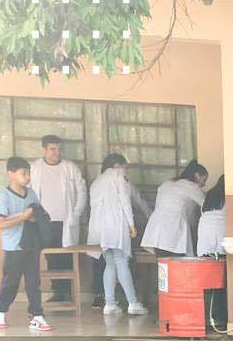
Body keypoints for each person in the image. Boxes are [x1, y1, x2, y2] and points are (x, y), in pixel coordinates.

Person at [0, 157, 52, 331]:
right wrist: (23, 217)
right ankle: (0, 311)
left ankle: (37, 315)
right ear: (11, 173)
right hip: (14, 247)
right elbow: (1, 224)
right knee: (11, 282)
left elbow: (38, 214)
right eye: (23, 173)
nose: (27, 177)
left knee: (34, 282)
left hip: (31, 244)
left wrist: (34, 217)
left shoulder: (31, 193)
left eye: (29, 173)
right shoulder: (4, 196)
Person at [87, 154, 149, 316]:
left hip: (99, 228)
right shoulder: (118, 176)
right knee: (121, 261)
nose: (127, 171)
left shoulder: (97, 181)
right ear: (117, 165)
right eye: (125, 167)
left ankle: (110, 303)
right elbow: (125, 201)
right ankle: (133, 303)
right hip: (115, 225)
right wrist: (131, 224)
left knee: (110, 263)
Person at [28, 134, 87, 302]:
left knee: (66, 255)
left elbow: (82, 192)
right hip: (43, 221)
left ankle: (67, 293)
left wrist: (76, 213)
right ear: (45, 149)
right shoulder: (35, 168)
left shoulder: (70, 167)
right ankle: (57, 292)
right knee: (50, 256)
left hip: (66, 220)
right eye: (53, 149)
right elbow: (28, 192)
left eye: (59, 149)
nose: (56, 153)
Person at [142, 161, 208, 257]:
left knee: (164, 267)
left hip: (156, 231)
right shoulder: (192, 187)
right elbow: (208, 206)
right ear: (197, 176)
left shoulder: (166, 184)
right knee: (177, 266)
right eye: (204, 180)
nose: (204, 184)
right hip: (173, 231)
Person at [198, 175, 227, 256]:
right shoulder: (229, 195)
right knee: (220, 257)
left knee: (206, 256)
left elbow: (202, 211)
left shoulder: (209, 194)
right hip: (220, 227)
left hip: (204, 227)